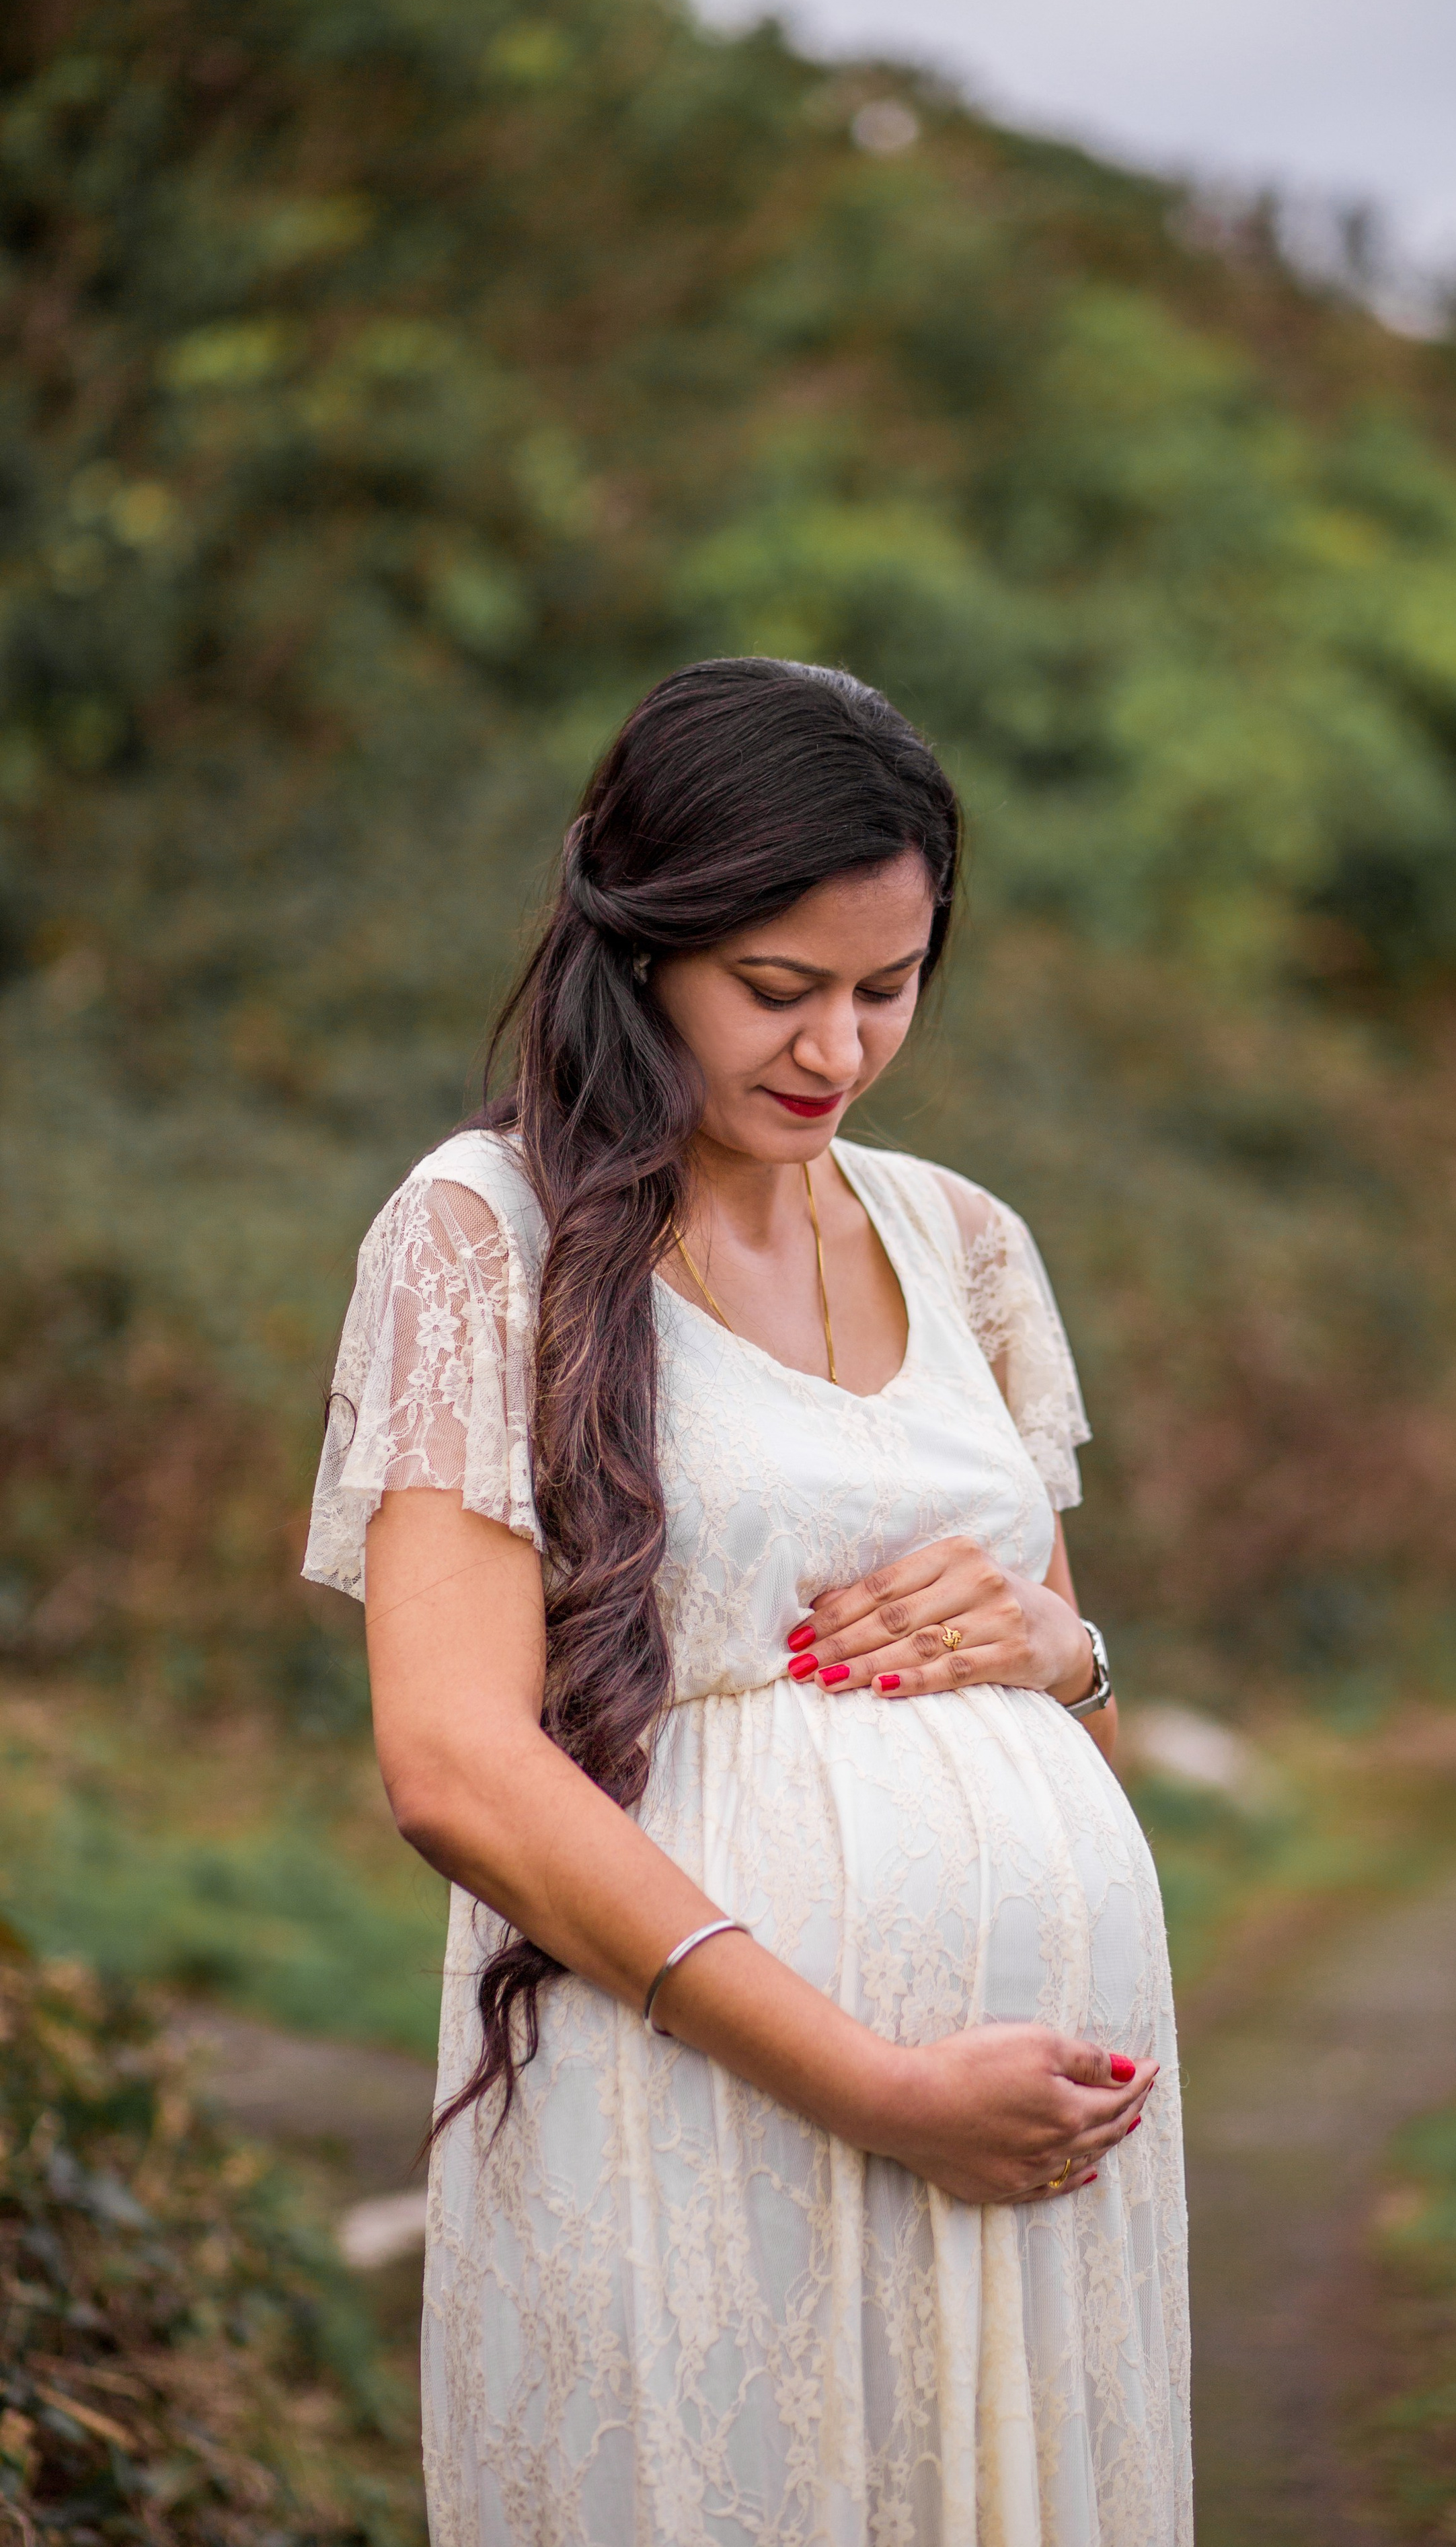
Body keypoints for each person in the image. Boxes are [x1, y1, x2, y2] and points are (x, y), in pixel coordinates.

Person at [303, 659, 1190, 2546]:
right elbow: (454, 1760)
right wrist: (871, 2082)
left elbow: (1073, 1717)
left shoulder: (965, 1242)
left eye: (891, 987)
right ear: (640, 948)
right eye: (777, 991)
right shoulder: (488, 1235)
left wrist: (1067, 1653)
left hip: (1039, 2146)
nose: (839, 1050)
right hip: (699, 2105)